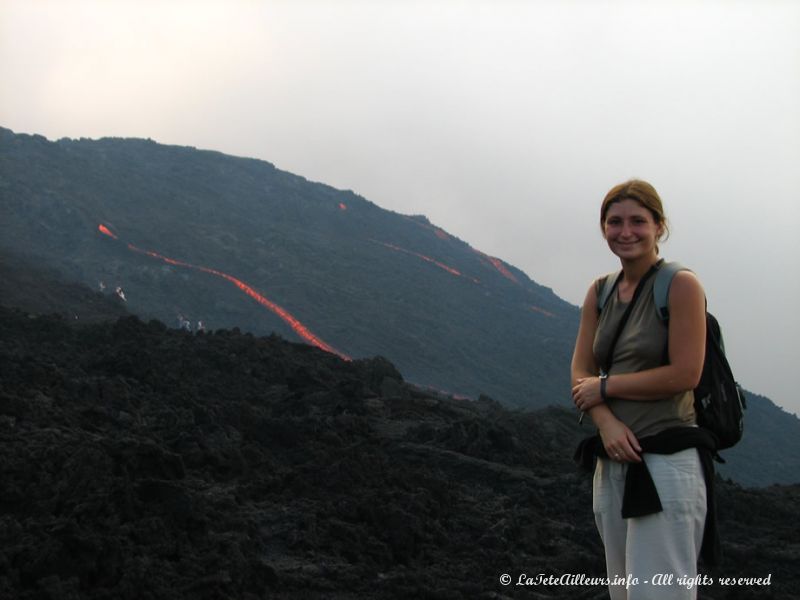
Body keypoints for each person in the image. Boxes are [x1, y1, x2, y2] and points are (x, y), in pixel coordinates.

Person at [571, 179, 714, 600]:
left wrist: (606, 387)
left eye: (638, 221)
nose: (625, 231)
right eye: (614, 222)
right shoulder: (600, 291)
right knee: (624, 592)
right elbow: (581, 371)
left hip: (667, 464)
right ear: (603, 228)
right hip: (613, 461)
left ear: (659, 226)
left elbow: (685, 373)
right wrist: (607, 425)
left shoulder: (681, 285)